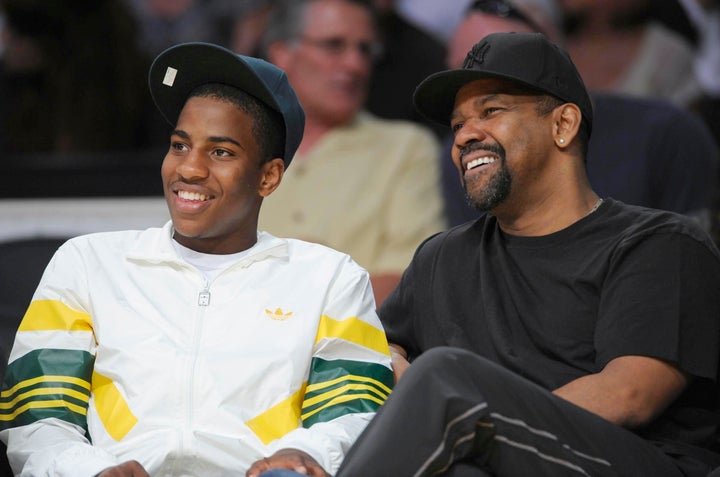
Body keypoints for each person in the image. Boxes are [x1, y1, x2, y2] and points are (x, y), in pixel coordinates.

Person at [336, 32, 720, 476]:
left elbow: (628, 396)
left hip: (630, 462)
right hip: (485, 453)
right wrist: (396, 364)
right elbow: (370, 350)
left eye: (491, 111)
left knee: (445, 379)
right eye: (457, 125)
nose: (464, 137)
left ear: (563, 125)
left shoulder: (659, 244)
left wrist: (460, 412)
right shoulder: (442, 258)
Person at [0, 42, 393, 476]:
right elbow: (37, 415)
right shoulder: (88, 262)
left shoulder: (329, 278)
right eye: (179, 145)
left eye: (221, 152)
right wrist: (87, 470)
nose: (189, 169)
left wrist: (304, 456)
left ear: (268, 176)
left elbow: (352, 412)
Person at [441, 0, 719, 231]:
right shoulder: (463, 154)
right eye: (457, 81)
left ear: (557, 60)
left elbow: (688, 270)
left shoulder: (668, 133)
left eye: (493, 83)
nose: (468, 99)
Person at [257, 0, 446, 306]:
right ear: (281, 53)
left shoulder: (405, 148)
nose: (355, 65)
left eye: (365, 50)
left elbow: (411, 281)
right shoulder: (239, 145)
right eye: (334, 45)